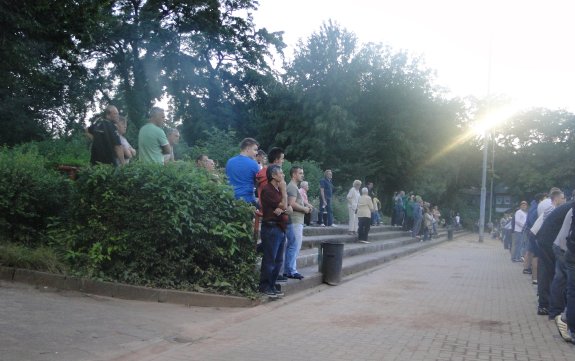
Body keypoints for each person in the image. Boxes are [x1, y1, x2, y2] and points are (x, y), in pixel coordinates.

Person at [259, 164, 289, 299]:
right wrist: (284, 192)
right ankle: (265, 286)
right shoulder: (268, 190)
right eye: (281, 173)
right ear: (273, 176)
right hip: (271, 228)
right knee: (270, 259)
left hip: (280, 227)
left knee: (278, 260)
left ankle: (272, 285)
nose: (283, 176)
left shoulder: (276, 191)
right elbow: (283, 205)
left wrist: (283, 207)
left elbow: (287, 208)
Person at [283, 166, 312, 280]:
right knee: (295, 245)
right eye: (300, 173)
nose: (302, 175)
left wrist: (306, 206)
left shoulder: (293, 186)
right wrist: (305, 209)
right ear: (294, 174)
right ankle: (291, 270)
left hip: (296, 220)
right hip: (295, 220)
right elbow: (292, 203)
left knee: (293, 245)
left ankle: (288, 270)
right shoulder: (292, 187)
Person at [225, 138, 260, 206]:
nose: (257, 153)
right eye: (255, 150)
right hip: (247, 201)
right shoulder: (254, 164)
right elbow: (258, 182)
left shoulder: (229, 161)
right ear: (247, 149)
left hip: (231, 200)